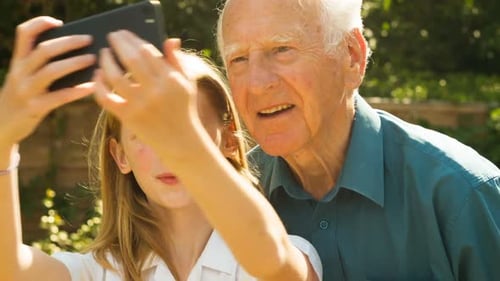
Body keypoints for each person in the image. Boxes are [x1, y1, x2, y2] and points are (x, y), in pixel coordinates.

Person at [0, 16, 322, 281]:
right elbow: (9, 268)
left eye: (186, 127)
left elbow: (273, 261)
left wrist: (187, 146)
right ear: (120, 155)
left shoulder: (292, 251)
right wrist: (3, 138)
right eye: (148, 133)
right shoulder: (97, 271)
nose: (170, 152)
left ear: (229, 140)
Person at [215, 0, 500, 280]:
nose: (256, 83)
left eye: (281, 49)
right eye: (238, 59)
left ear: (352, 56)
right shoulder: (227, 201)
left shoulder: (462, 194)